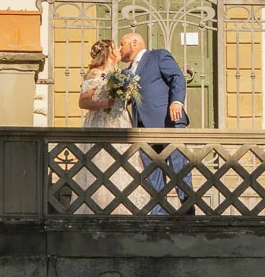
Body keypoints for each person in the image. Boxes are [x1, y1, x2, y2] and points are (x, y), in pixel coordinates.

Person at [118, 32, 194, 215]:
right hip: (143, 127)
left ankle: (188, 217)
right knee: (153, 173)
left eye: (122, 44)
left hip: (169, 122)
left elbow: (177, 77)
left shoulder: (158, 55)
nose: (120, 49)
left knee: (179, 171)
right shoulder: (126, 72)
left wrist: (177, 101)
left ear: (135, 43)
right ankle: (160, 217)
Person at [73, 38, 147, 213]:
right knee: (101, 163)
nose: (120, 50)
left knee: (123, 163)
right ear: (108, 52)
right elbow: (83, 102)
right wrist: (104, 103)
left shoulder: (120, 73)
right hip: (101, 122)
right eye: (116, 48)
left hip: (120, 122)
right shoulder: (95, 74)